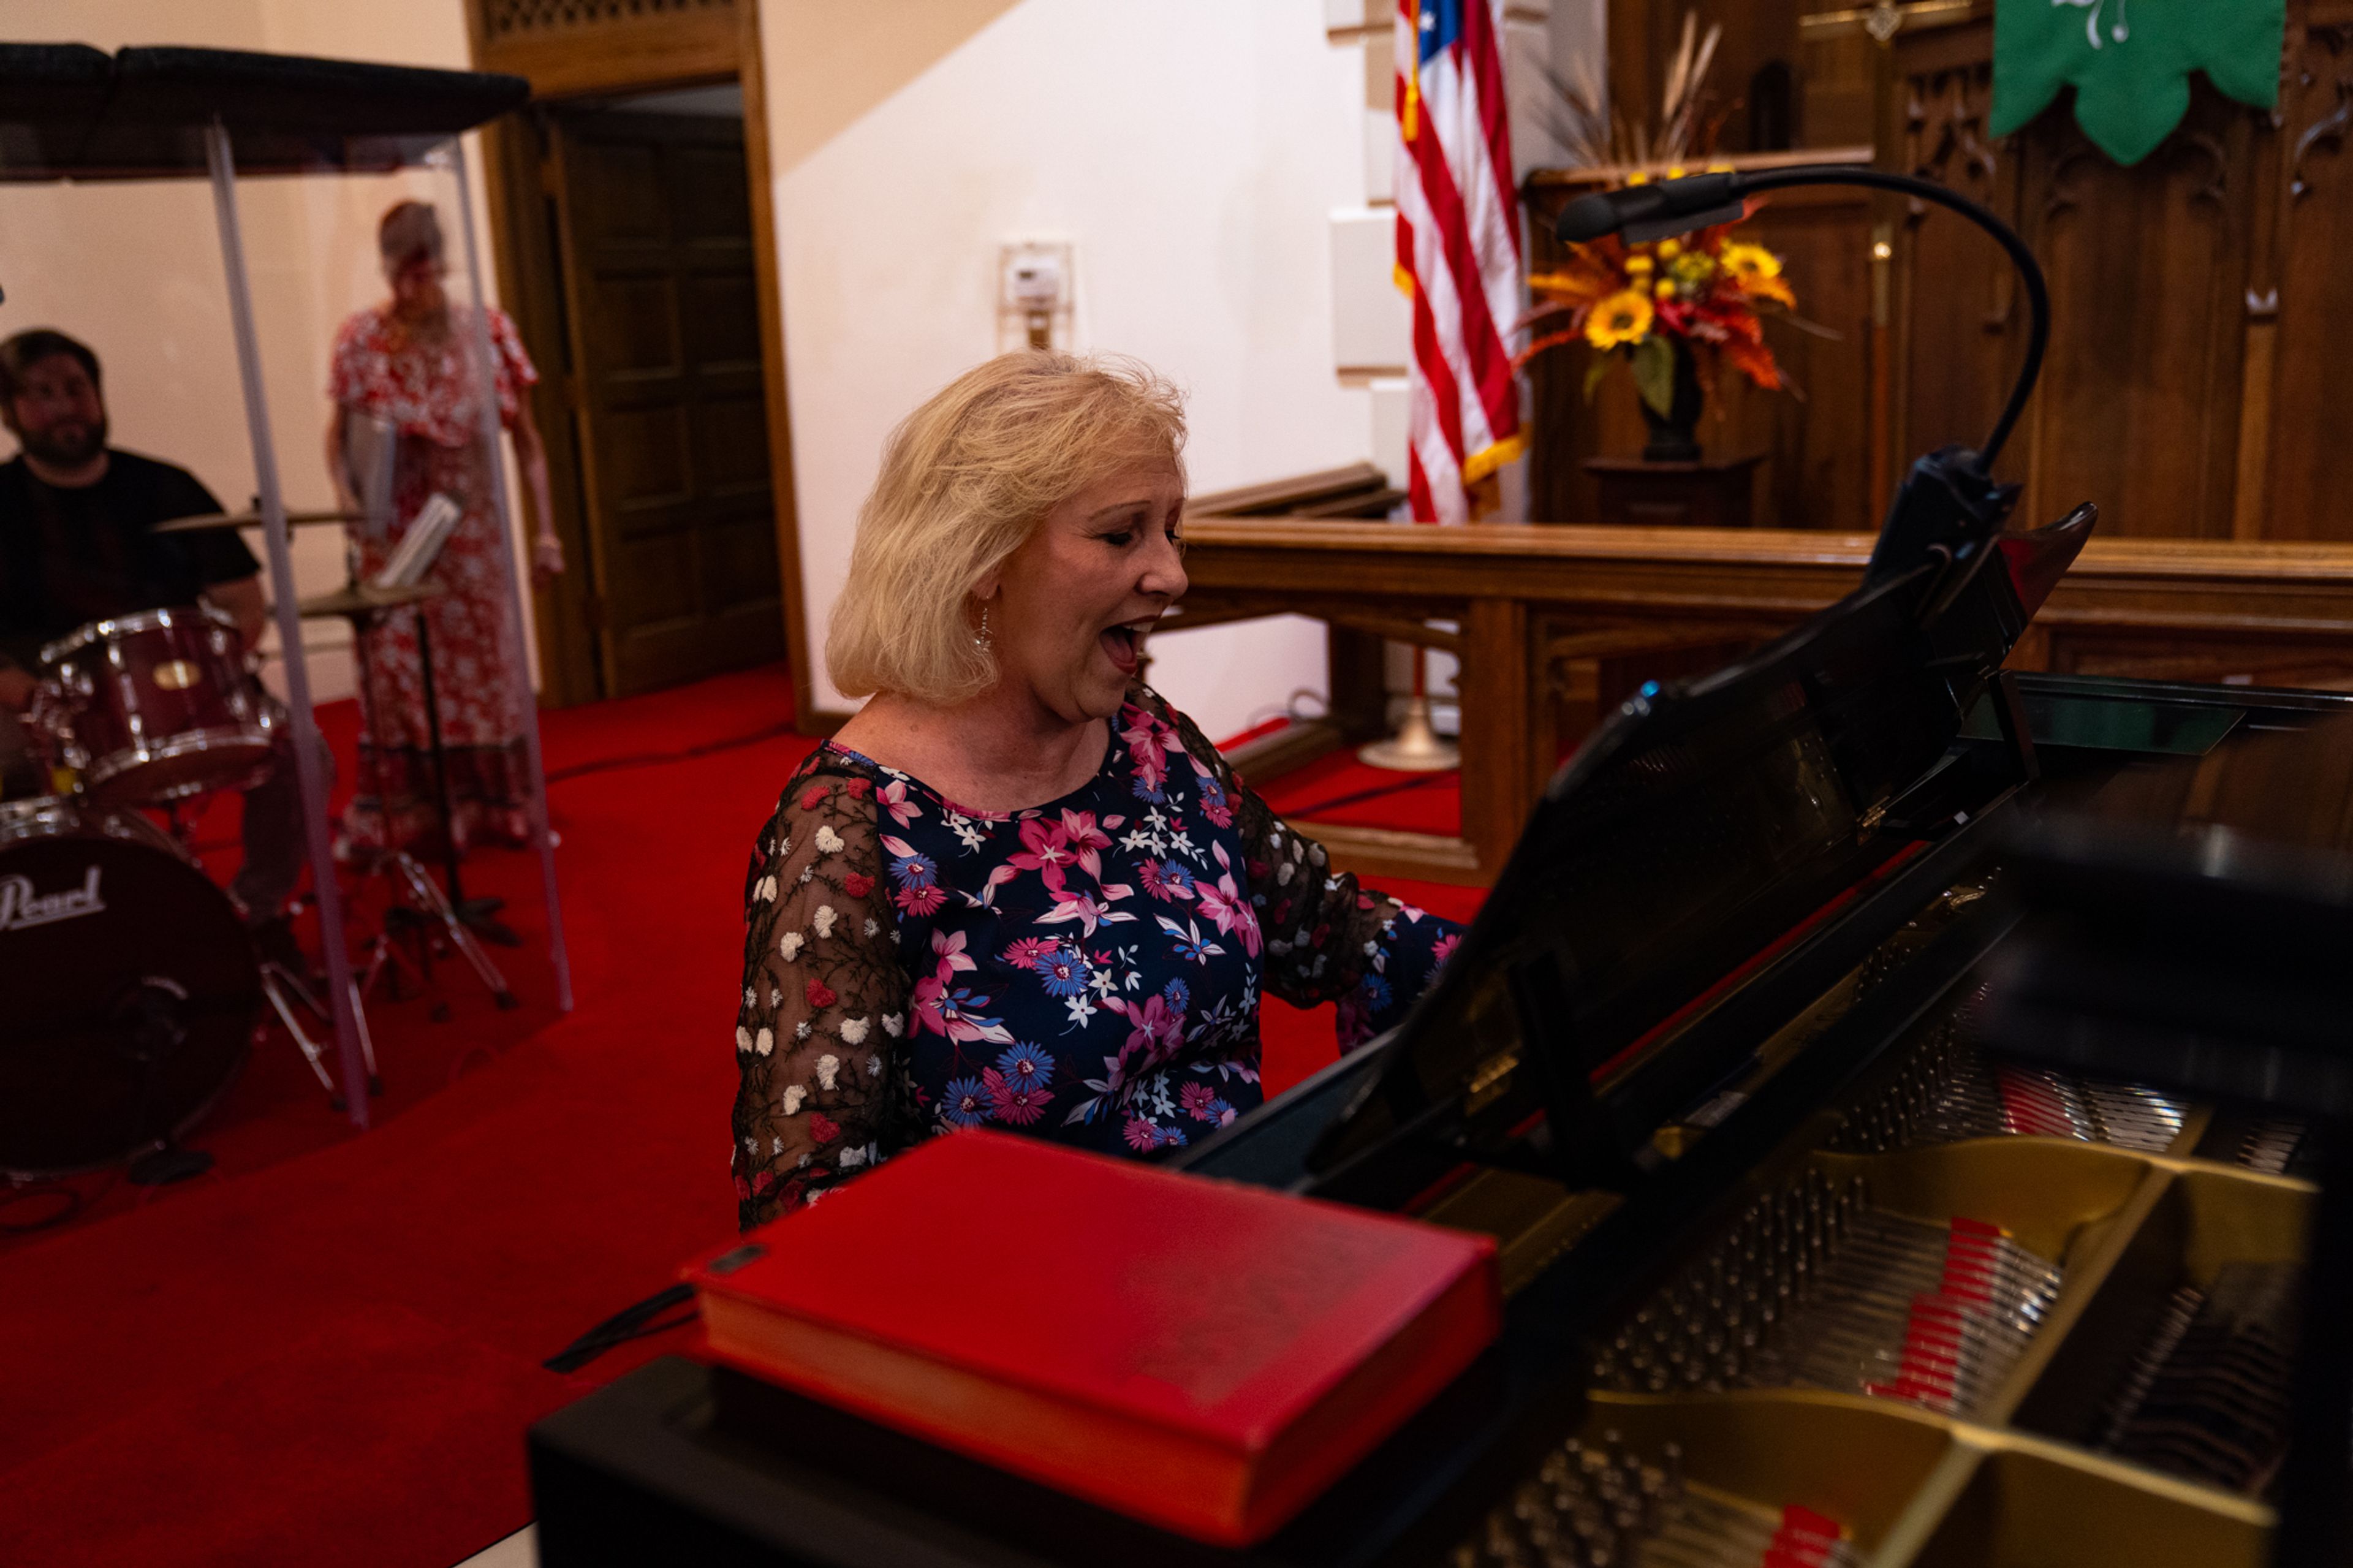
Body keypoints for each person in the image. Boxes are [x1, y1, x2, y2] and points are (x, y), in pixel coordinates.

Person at [732, 351, 1464, 1227]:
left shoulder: (1150, 740)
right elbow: (809, 1215)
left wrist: (1541, 942)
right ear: (982, 558)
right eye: (1122, 534)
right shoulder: (849, 828)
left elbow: (1334, 933)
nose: (1172, 575)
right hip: (1039, 1312)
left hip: (1240, 1246)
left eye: (1171, 531)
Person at [0, 328, 310, 939]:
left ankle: (256, 914)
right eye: (42, 394)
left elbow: (243, 601)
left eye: (76, 388)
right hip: (45, 704)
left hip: (178, 685)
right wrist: (27, 696)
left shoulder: (167, 485)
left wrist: (209, 672)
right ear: (11, 413)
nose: (65, 406)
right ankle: (67, 936)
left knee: (302, 751)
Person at [325, 200, 561, 857]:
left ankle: (490, 806)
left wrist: (547, 534)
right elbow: (339, 442)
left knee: (483, 670)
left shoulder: (485, 331)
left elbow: (529, 443)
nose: (415, 289)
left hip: (472, 537)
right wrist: (351, 513)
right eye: (404, 272)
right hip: (391, 537)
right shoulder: (360, 338)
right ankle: (415, 810)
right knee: (397, 672)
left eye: (426, 270)